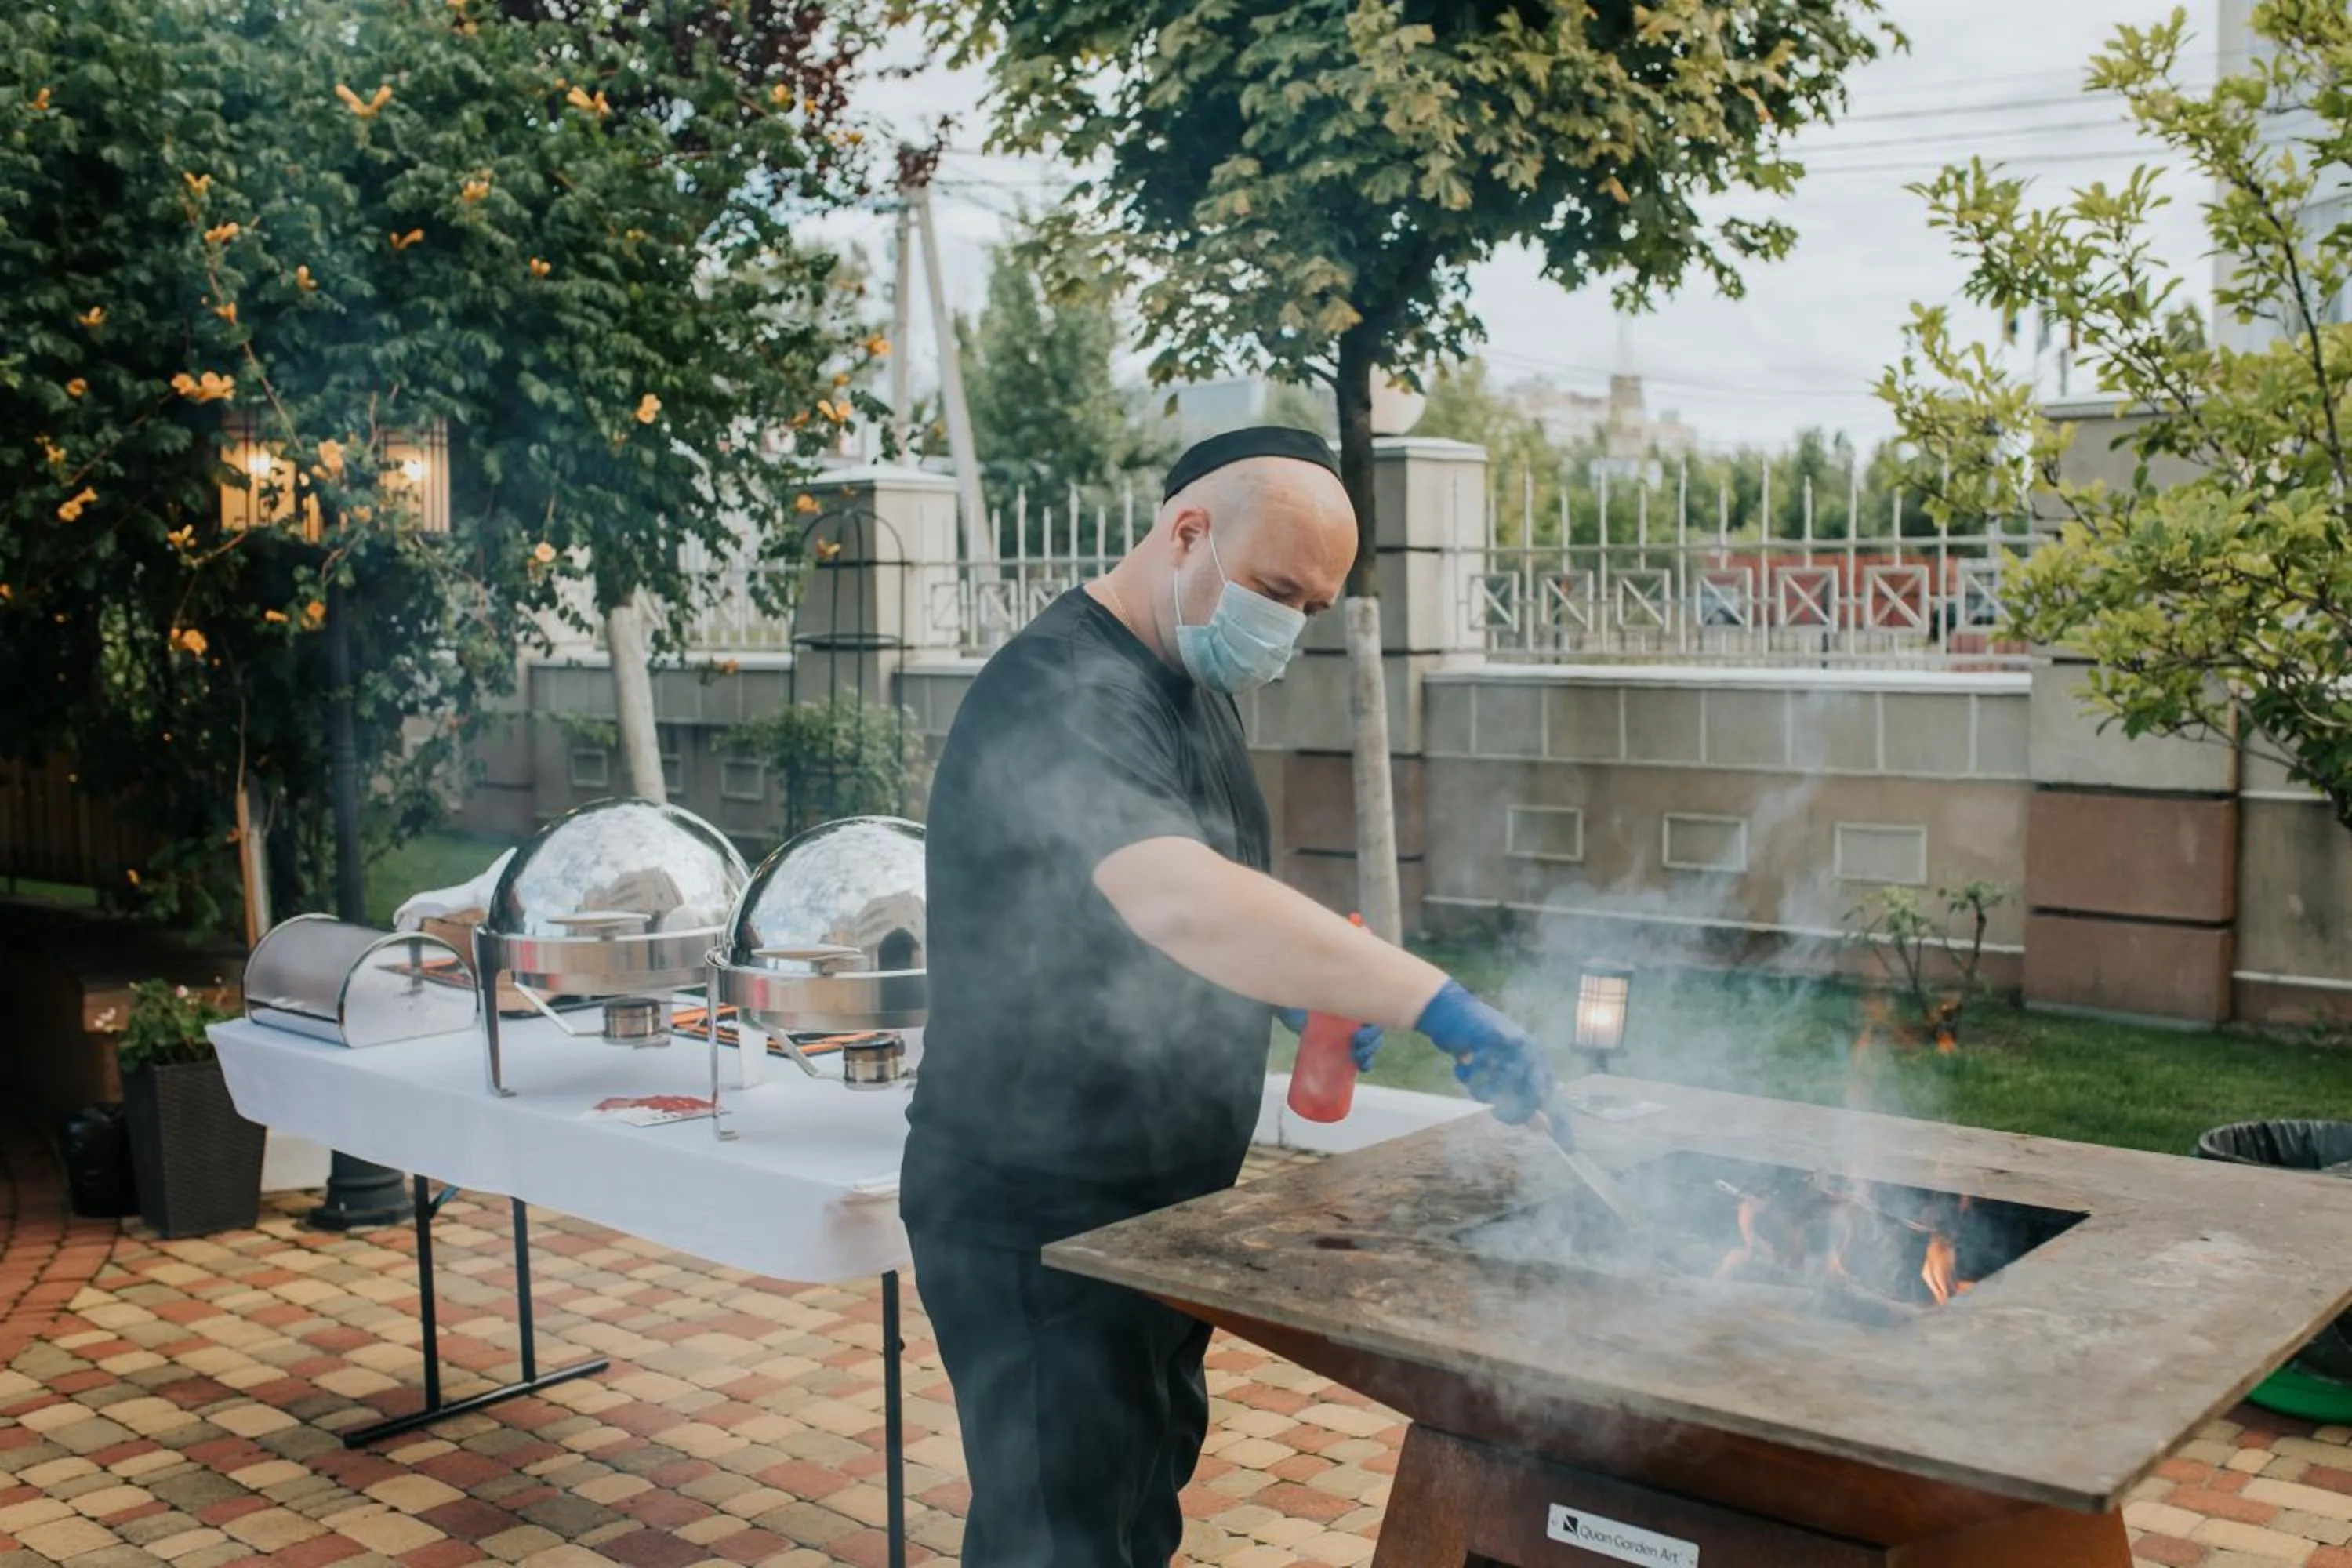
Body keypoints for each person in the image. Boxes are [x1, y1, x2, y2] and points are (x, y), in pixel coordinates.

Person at [901, 426, 1555, 1567]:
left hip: (1155, 1207)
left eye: (1313, 605)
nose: (1290, 628)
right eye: (1277, 590)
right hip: (1038, 1211)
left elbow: (1215, 900)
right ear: (1187, 532)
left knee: (1132, 1511)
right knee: (1055, 1539)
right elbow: (1180, 900)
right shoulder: (1063, 689)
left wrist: (1304, 993)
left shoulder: (1191, 686)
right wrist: (1434, 1002)